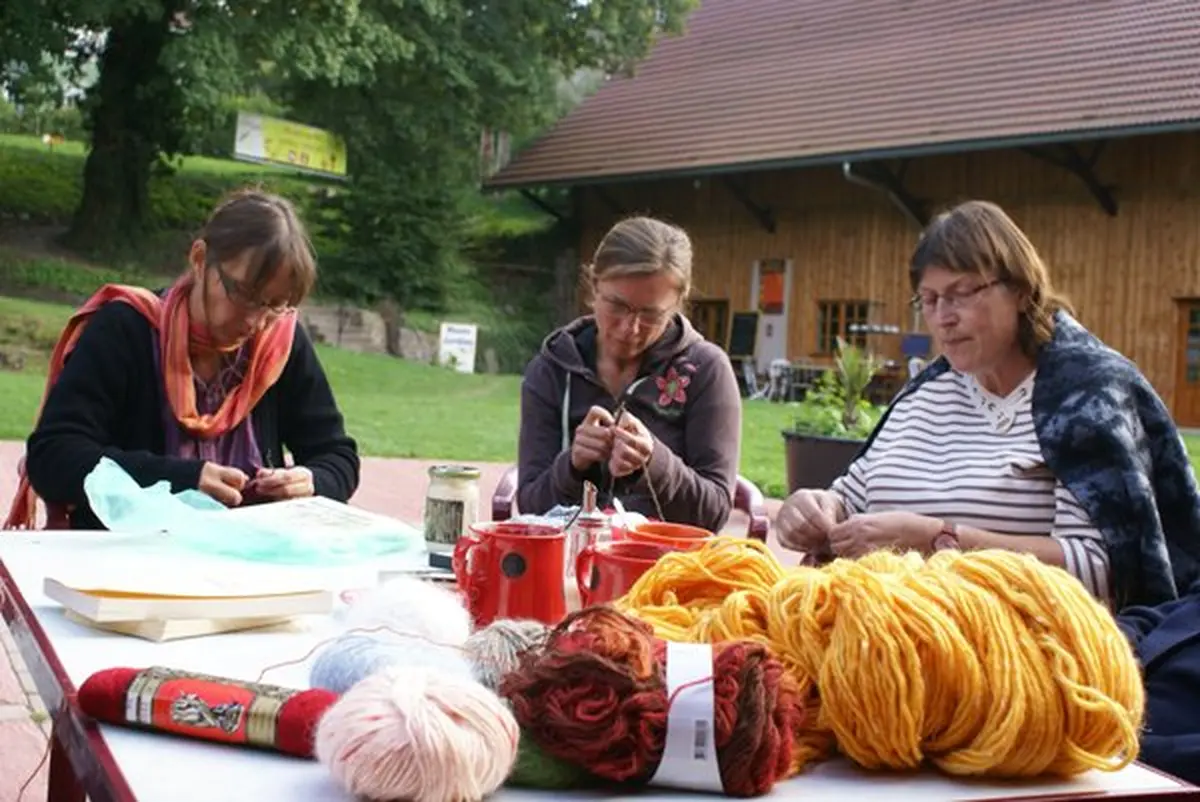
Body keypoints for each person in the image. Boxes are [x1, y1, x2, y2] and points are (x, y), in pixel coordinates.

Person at [776, 199, 1200, 610]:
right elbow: (849, 496)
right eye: (929, 299)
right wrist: (816, 507)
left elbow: (1101, 570)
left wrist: (938, 540)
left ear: (1019, 290)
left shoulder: (1086, 396)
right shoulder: (925, 394)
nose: (944, 316)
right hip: (883, 629)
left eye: (961, 294)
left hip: (1017, 650)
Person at [4, 188, 360, 531]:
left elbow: (338, 457)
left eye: (275, 305)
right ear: (201, 259)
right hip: (126, 568)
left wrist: (311, 481)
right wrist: (182, 477)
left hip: (247, 568)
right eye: (245, 295)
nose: (256, 321)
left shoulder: (280, 343)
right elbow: (53, 457)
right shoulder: (127, 329)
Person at [516, 215, 742, 532]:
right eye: (617, 306)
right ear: (594, 287)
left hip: (666, 570)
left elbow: (714, 515)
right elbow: (530, 506)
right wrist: (572, 465)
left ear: (678, 302)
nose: (629, 329)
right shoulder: (552, 369)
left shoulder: (706, 371)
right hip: (568, 565)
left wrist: (655, 464)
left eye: (650, 314)